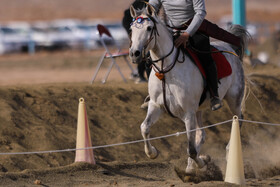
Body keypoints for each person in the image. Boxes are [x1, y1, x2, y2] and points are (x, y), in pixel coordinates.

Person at [148, 0, 224, 111]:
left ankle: (214, 95)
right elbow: (152, 7)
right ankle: (153, 96)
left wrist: (187, 34)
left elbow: (200, 12)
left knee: (206, 58)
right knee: (151, 58)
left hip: (194, 31)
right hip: (170, 32)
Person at [122, 0, 151, 84]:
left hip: (140, 27)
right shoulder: (144, 2)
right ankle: (140, 75)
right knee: (141, 50)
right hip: (131, 24)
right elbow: (128, 15)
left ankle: (139, 74)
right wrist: (132, 34)